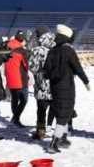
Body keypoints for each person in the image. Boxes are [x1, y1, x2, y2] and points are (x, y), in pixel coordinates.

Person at [43, 24, 90, 153]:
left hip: (54, 86)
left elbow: (46, 70)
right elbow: (77, 67)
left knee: (61, 111)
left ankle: (63, 138)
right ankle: (54, 142)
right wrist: (86, 81)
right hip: (66, 86)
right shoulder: (68, 50)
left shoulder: (52, 50)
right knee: (65, 112)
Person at [30, 25, 55, 140]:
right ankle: (59, 133)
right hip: (56, 84)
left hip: (42, 85)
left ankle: (41, 132)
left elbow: (33, 68)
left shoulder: (38, 50)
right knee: (56, 109)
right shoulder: (57, 46)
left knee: (41, 111)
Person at [5, 30, 29, 128]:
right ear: (22, 41)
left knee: (14, 99)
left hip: (10, 78)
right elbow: (27, 65)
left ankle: (15, 118)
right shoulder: (22, 51)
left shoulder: (7, 48)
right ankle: (16, 118)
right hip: (20, 79)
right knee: (24, 100)